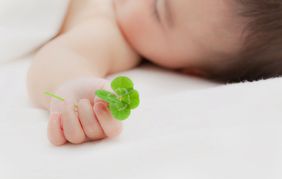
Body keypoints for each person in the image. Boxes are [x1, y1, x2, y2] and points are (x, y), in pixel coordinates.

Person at [27, 0, 282, 145]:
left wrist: (74, 87)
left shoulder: (110, 26)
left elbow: (66, 55)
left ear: (189, 70)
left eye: (157, 10)